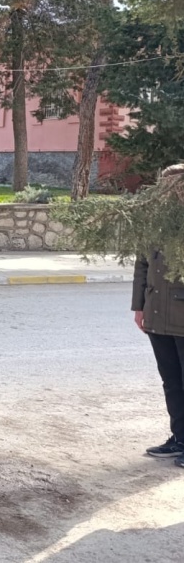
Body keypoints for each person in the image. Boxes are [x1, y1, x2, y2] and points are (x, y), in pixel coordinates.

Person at [133, 164, 184, 467]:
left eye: (175, 186)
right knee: (172, 382)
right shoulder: (154, 222)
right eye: (164, 186)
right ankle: (179, 438)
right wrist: (139, 307)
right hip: (157, 313)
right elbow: (141, 265)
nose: (168, 192)